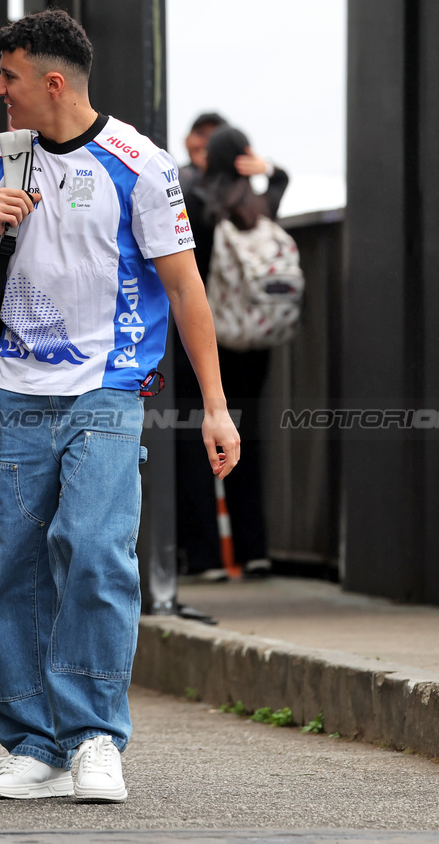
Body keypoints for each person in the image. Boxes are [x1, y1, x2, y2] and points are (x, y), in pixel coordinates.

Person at [0, 10, 240, 804]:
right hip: (12, 396)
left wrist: (215, 405)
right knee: (18, 572)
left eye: (9, 78)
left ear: (51, 82)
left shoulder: (139, 164)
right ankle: (34, 746)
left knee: (96, 552)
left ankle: (95, 736)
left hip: (107, 390)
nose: (0, 93)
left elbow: (183, 286)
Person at [173, 125, 289, 582]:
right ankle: (254, 550)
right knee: (249, 439)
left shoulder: (200, 206)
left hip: (206, 345)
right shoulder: (259, 208)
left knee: (192, 442)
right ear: (243, 157)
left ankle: (203, 558)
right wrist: (269, 170)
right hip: (253, 344)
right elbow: (282, 182)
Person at [177, 111, 227, 197]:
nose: (206, 143)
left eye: (215, 137)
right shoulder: (174, 179)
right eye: (200, 134)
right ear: (187, 140)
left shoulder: (238, 187)